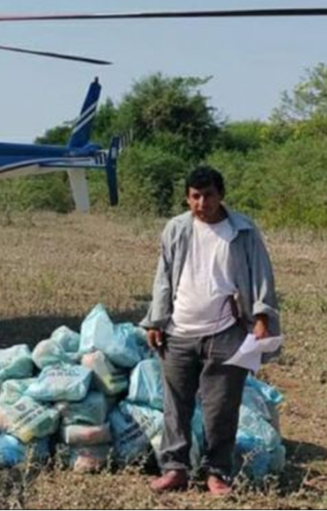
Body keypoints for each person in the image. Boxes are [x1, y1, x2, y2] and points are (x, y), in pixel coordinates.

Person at [140, 166, 280, 496]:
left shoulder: (243, 231)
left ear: (221, 195)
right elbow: (163, 278)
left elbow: (261, 275)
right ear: (187, 198)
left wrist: (261, 317)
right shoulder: (176, 229)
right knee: (176, 406)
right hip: (179, 332)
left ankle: (217, 472)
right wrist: (156, 321)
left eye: (209, 195)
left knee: (222, 406)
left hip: (226, 332)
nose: (202, 203)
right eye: (195, 196)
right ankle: (175, 469)